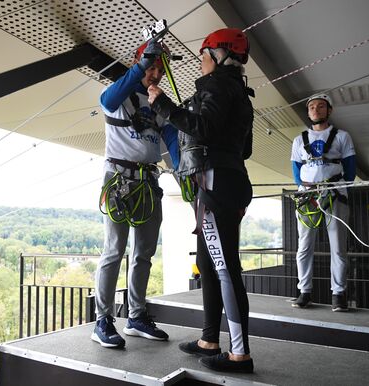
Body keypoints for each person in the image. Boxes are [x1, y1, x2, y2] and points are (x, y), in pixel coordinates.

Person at [148, 28, 254, 373]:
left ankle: (240, 354)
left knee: (225, 269)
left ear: (220, 55)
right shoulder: (239, 92)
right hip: (230, 179)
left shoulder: (216, 85)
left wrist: (162, 103)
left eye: (205, 54)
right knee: (209, 264)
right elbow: (245, 148)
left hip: (215, 183)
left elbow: (203, 129)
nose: (202, 61)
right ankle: (210, 338)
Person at [91, 39, 179, 349]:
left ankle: (137, 316)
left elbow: (172, 142)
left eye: (159, 69)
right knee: (114, 250)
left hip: (148, 181)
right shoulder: (121, 95)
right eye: (151, 67)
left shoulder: (159, 102)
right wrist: (141, 64)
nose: (155, 74)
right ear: (139, 63)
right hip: (119, 178)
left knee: (144, 253)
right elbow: (107, 97)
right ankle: (102, 319)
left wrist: (183, 172)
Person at [290, 93, 356, 311]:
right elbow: (296, 172)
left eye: (320, 106)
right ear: (308, 112)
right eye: (311, 107)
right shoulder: (299, 140)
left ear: (329, 110)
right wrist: (309, 188)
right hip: (307, 197)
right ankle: (304, 292)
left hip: (334, 194)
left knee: (338, 247)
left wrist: (333, 186)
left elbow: (351, 170)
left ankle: (339, 295)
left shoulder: (342, 137)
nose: (315, 110)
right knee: (304, 246)